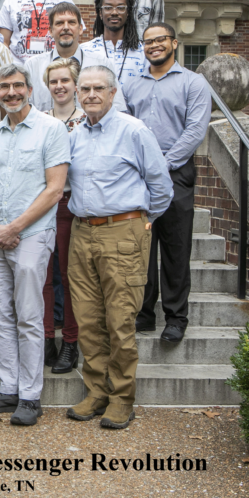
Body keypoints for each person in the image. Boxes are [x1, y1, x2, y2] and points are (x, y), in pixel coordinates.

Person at [65, 64, 172, 430]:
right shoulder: (75, 134)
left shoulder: (133, 130)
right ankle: (96, 391)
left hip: (123, 232)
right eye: (85, 89)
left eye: (99, 88)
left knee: (120, 319)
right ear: (78, 95)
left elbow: (162, 186)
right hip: (82, 233)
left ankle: (122, 398)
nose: (91, 95)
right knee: (89, 319)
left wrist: (143, 221)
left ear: (113, 93)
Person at [0, 64, 70, 427]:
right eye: (3, 87)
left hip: (31, 234)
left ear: (29, 89)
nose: (11, 92)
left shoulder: (51, 129)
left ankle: (30, 396)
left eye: (17, 86)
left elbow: (55, 188)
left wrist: (15, 226)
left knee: (29, 316)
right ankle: (8, 388)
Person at [124, 23, 212, 343]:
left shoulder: (193, 83)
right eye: (148, 42)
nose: (154, 45)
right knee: (142, 249)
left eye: (160, 39)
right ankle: (144, 314)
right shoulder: (131, 86)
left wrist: (162, 163)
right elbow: (123, 128)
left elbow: (195, 130)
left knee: (176, 247)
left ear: (174, 43)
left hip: (176, 173)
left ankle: (176, 317)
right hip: (138, 176)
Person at [40, 58, 86, 375]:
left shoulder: (87, 120)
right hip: (43, 204)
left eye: (65, 80)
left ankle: (71, 342)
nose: (59, 86)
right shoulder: (40, 119)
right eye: (54, 81)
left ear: (75, 84)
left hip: (73, 202)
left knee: (70, 278)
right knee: (41, 277)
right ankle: (45, 339)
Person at [24, 2, 126, 113]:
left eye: (71, 22)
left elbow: (117, 108)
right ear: (50, 31)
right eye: (59, 23)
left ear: (80, 28)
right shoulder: (33, 66)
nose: (66, 27)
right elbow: (26, 111)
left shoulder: (101, 64)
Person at [80, 0, 146, 83]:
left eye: (120, 8)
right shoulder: (85, 50)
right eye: (108, 8)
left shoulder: (142, 51)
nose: (114, 12)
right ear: (100, 13)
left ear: (127, 13)